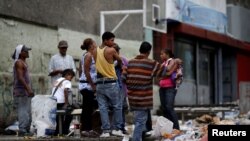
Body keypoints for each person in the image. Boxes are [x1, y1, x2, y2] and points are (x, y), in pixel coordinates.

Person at [122, 41, 164, 141]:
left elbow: (123, 77)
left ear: (140, 50)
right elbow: (163, 72)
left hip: (132, 97)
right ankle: (136, 139)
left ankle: (141, 136)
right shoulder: (151, 63)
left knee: (139, 119)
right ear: (149, 52)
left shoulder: (130, 62)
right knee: (140, 121)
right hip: (144, 97)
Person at [93, 31, 124, 137]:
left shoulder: (94, 50)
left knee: (103, 108)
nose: (113, 42)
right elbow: (120, 59)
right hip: (111, 82)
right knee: (117, 106)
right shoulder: (111, 50)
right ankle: (116, 129)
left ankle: (105, 131)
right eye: (112, 40)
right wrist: (120, 65)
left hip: (99, 83)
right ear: (105, 40)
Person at [12, 44, 34, 136]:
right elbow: (20, 78)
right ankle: (22, 130)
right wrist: (28, 89)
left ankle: (26, 129)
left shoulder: (23, 62)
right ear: (20, 53)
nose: (28, 52)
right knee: (23, 111)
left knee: (28, 111)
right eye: (26, 51)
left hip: (25, 91)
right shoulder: (19, 63)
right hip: (21, 91)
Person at [78, 38, 99, 136]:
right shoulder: (89, 56)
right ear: (91, 45)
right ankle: (86, 129)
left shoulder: (85, 55)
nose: (96, 44)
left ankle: (87, 128)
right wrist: (92, 85)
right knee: (87, 108)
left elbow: (80, 70)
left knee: (88, 107)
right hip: (87, 85)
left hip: (85, 84)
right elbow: (86, 71)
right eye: (94, 43)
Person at [158, 48, 181, 130]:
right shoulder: (164, 63)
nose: (160, 55)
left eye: (162, 54)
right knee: (164, 108)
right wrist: (162, 73)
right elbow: (158, 74)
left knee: (169, 107)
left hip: (170, 88)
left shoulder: (173, 61)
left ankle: (176, 128)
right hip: (162, 88)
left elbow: (168, 72)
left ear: (167, 54)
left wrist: (162, 73)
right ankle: (168, 128)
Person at [52, 69, 75, 135]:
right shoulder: (67, 82)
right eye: (71, 77)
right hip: (61, 102)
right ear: (67, 75)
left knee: (59, 118)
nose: (71, 79)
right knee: (70, 114)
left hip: (54, 102)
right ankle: (65, 131)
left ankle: (58, 132)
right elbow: (65, 90)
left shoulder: (57, 80)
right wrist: (66, 103)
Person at [113, 43, 129, 134]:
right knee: (116, 108)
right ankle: (116, 127)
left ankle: (121, 127)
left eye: (117, 51)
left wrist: (125, 71)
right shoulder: (109, 61)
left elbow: (128, 73)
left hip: (121, 87)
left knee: (122, 108)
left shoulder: (123, 60)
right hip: (112, 87)